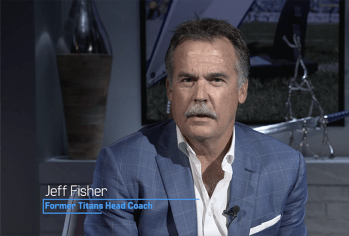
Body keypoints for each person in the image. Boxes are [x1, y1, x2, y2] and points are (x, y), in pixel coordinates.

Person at [84, 18, 308, 236]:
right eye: (187, 80)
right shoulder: (122, 165)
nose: (200, 96)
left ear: (242, 90)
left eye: (216, 80)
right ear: (170, 90)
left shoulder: (286, 168)